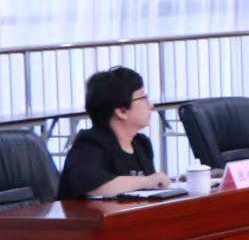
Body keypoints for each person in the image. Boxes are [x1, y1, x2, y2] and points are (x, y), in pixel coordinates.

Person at [58, 66, 170, 199]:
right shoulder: (89, 144)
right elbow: (92, 187)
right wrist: (147, 181)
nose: (150, 105)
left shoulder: (141, 143)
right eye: (143, 97)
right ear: (121, 111)